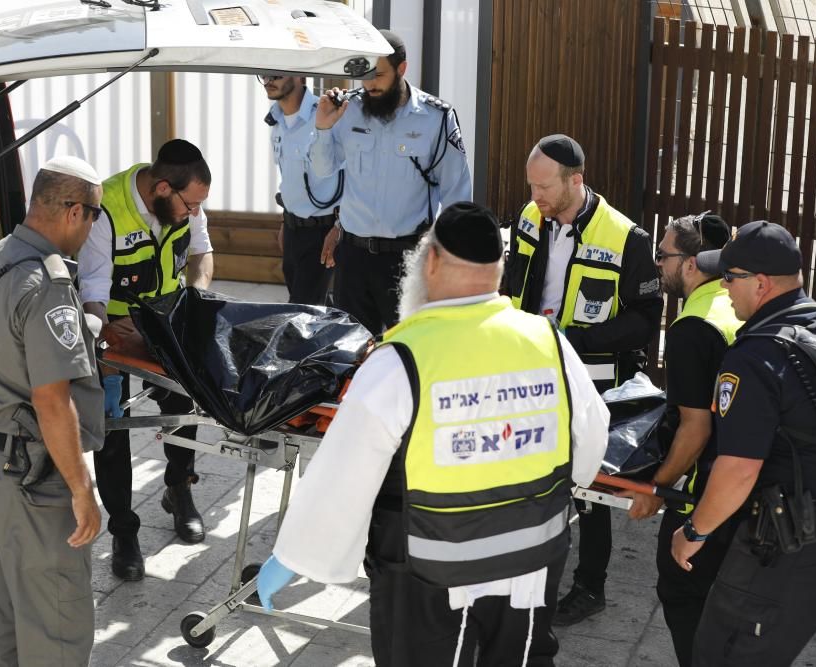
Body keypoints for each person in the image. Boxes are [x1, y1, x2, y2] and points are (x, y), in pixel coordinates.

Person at [256, 202, 610, 666]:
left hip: (429, 574)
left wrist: (297, 554)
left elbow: (343, 478)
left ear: (431, 261)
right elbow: (591, 442)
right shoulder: (549, 341)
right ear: (500, 269)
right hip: (530, 563)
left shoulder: (399, 360)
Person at [502, 134, 661, 625]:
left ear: (577, 179)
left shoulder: (626, 237)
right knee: (524, 473)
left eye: (545, 187)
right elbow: (512, 284)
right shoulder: (531, 218)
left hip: (594, 381)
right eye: (531, 186)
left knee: (589, 486)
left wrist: (576, 336)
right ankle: (514, 572)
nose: (536, 197)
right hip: (531, 370)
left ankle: (591, 586)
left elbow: (646, 316)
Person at [0, 156, 104, 665]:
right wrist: (82, 491)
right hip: (32, 476)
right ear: (74, 212)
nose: (91, 231)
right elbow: (51, 400)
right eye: (95, 218)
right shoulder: (48, 285)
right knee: (56, 624)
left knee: (3, 616)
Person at [673, 221, 816, 666]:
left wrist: (694, 531)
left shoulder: (754, 357)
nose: (724, 288)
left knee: (722, 652)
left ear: (760, 284)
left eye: (730, 278)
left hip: (783, 541)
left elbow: (738, 469)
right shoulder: (811, 324)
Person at [77, 139, 214, 581]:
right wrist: (102, 344)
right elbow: (93, 291)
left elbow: (201, 253)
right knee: (112, 424)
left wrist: (197, 298)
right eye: (190, 204)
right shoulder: (107, 210)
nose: (194, 213)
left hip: (165, 323)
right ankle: (123, 530)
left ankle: (179, 487)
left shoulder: (185, 204)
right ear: (160, 188)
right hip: (116, 333)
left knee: (183, 403)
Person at [624, 213, 740, 667]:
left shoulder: (692, 327)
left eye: (663, 255)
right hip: (739, 491)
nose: (657, 265)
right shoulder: (733, 305)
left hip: (700, 500)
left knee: (683, 597)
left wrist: (657, 488)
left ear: (691, 263)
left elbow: (696, 428)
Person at [308, 29, 472, 335]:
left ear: (401, 69)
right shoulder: (347, 109)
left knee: (409, 348)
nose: (370, 84)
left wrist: (450, 260)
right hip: (353, 258)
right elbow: (322, 170)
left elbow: (456, 195)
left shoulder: (436, 118)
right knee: (352, 353)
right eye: (365, 75)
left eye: (379, 75)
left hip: (406, 258)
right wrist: (322, 128)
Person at [259, 73, 340, 305]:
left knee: (302, 310)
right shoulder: (277, 119)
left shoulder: (326, 114)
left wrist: (339, 227)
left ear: (300, 76)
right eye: (263, 75)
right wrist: (286, 221)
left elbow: (351, 176)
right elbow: (289, 177)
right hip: (294, 230)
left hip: (323, 231)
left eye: (275, 75)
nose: (268, 81)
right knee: (314, 306)